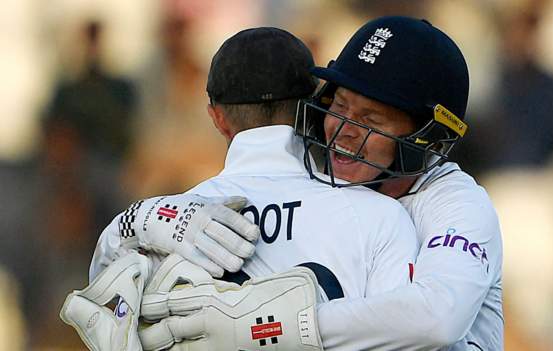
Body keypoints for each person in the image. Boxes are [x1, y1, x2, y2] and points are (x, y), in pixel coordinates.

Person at [139, 17, 504, 350]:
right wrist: (138, 219)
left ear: (428, 140)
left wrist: (265, 326)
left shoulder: (457, 204)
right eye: (340, 106)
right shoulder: (318, 168)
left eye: (370, 119)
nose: (343, 131)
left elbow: (437, 319)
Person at [61, 27, 419, 351]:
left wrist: (126, 223)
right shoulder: (380, 216)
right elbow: (412, 336)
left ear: (216, 117)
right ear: (311, 109)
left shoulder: (159, 228)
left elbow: (103, 304)